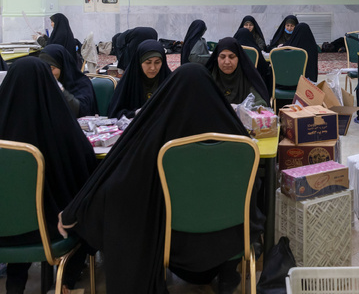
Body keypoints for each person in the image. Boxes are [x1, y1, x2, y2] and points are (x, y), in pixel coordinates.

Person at [58, 64, 264, 294]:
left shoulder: (161, 141)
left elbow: (120, 184)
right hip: (231, 240)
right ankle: (228, 274)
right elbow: (254, 186)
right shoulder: (239, 143)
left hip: (172, 242)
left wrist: (80, 207)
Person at [0, 57, 97, 294]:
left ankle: (15, 283)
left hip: (3, 229)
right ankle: (66, 281)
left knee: (18, 211)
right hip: (48, 230)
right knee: (85, 210)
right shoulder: (61, 129)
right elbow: (86, 169)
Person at [107, 39, 171, 119]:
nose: (153, 68)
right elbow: (114, 113)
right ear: (139, 62)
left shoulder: (169, 81)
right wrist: (134, 113)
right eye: (148, 62)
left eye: (157, 62)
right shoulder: (130, 81)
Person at [206, 37, 269, 106]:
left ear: (238, 58)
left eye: (232, 57)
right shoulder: (209, 77)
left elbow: (261, 103)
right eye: (222, 57)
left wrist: (242, 110)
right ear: (217, 58)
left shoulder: (247, 77)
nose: (227, 62)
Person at [39, 44, 98, 117]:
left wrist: (59, 88)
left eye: (51, 69)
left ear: (63, 66)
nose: (48, 73)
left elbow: (82, 111)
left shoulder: (82, 83)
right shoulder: (41, 85)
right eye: (44, 69)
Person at [233, 26, 272, 92]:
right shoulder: (255, 50)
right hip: (252, 84)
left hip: (234, 81)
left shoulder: (233, 49)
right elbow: (263, 68)